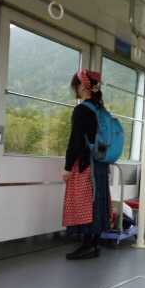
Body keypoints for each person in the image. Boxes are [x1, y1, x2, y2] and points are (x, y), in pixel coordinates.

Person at [63, 69, 111, 260]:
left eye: (75, 86)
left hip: (85, 164)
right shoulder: (101, 109)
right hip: (100, 164)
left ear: (83, 86)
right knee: (98, 202)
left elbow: (75, 141)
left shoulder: (82, 110)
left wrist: (68, 167)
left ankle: (87, 245)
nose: (75, 89)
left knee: (84, 203)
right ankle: (94, 244)